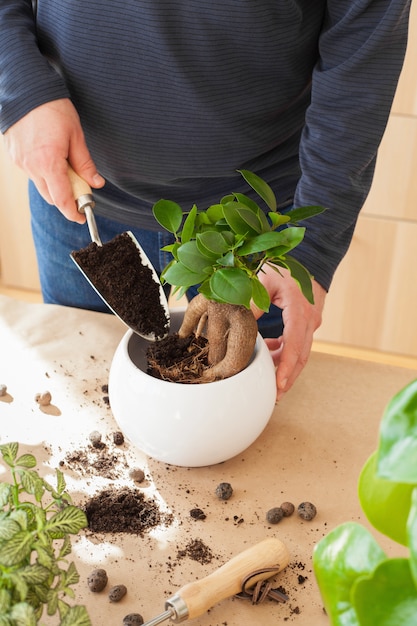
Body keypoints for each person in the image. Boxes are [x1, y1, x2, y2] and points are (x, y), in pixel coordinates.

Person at [0, 1, 411, 399]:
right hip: (80, 202)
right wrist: (21, 92)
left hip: (257, 234)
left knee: (241, 422)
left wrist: (314, 246)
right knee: (86, 403)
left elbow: (361, 59)